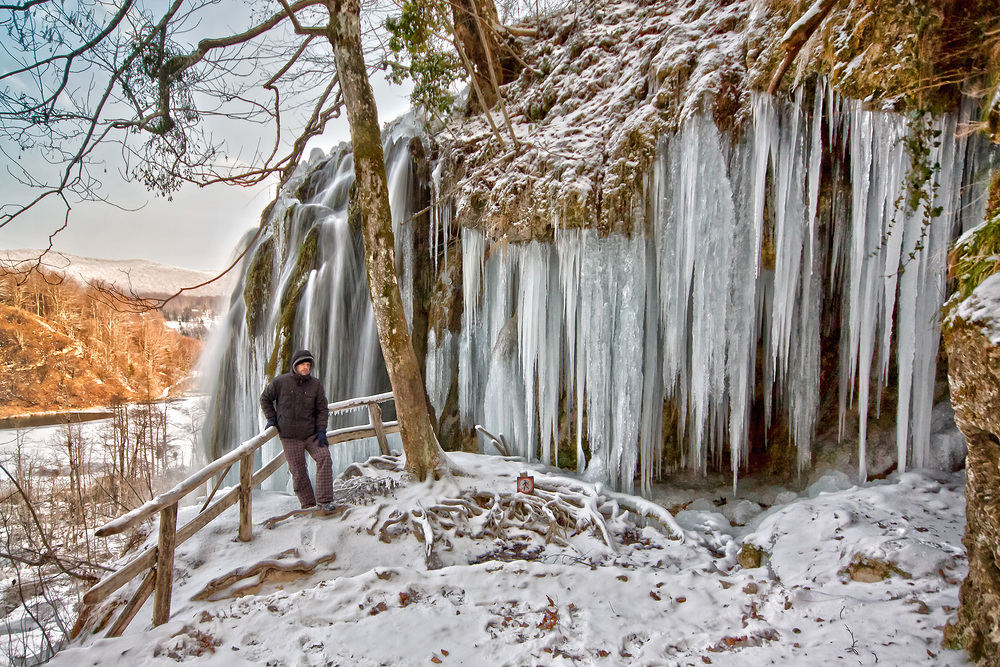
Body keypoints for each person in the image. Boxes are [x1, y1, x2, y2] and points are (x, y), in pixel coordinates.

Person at [259, 349, 334, 511]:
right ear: (295, 365)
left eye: (308, 365)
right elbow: (265, 398)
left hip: (311, 434)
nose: (306, 368)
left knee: (324, 458)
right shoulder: (281, 382)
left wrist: (321, 430)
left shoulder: (316, 385)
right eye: (303, 365)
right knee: (298, 472)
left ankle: (325, 501)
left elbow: (322, 409)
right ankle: (308, 505)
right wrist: (272, 418)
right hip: (289, 436)